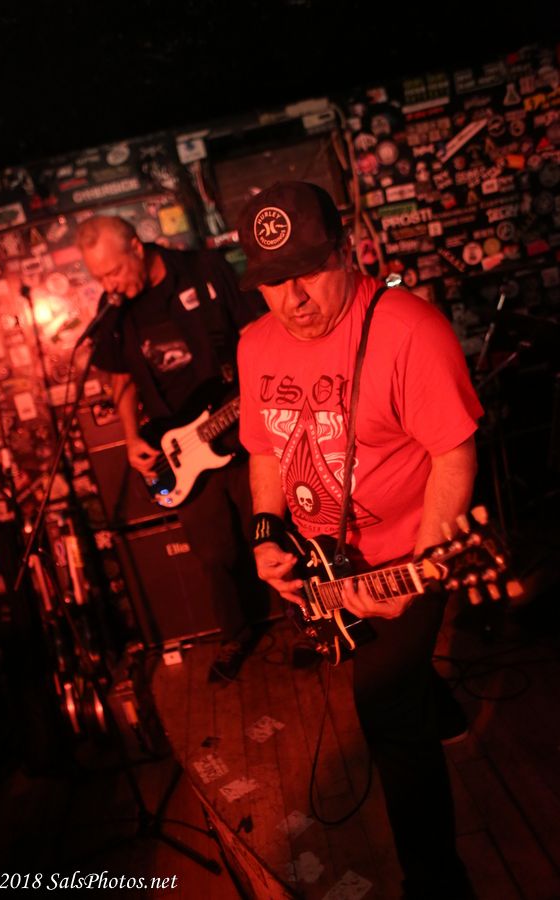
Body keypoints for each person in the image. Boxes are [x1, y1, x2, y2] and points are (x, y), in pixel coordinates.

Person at [235, 181, 483, 899]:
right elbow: (265, 449)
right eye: (273, 282)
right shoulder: (254, 344)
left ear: (347, 251)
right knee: (401, 688)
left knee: (385, 712)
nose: (293, 299)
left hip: (407, 552)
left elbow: (454, 455)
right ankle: (441, 705)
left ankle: (438, 885)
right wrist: (265, 535)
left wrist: (419, 576)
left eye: (309, 271)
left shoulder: (410, 329)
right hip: (326, 563)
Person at [76, 215, 266, 682]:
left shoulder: (204, 269)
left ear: (137, 248)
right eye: (99, 277)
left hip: (240, 424)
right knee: (214, 554)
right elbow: (119, 378)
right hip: (178, 448)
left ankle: (309, 621)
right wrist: (130, 437)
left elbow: (258, 331)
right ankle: (235, 634)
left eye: (113, 271)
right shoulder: (115, 311)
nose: (109, 285)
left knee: (269, 530)